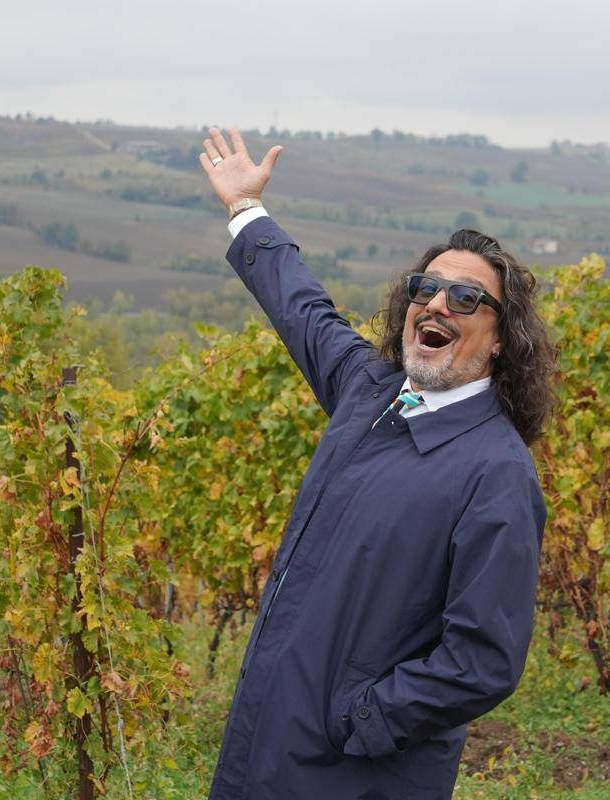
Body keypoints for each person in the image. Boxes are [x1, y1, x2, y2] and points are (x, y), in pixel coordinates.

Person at [199, 126, 557, 800]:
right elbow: (304, 311)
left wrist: (361, 720)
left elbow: (482, 661)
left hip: (355, 773)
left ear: (502, 338)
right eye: (427, 287)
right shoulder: (369, 392)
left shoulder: (495, 474)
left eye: (466, 298)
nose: (438, 303)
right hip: (265, 747)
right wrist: (246, 209)